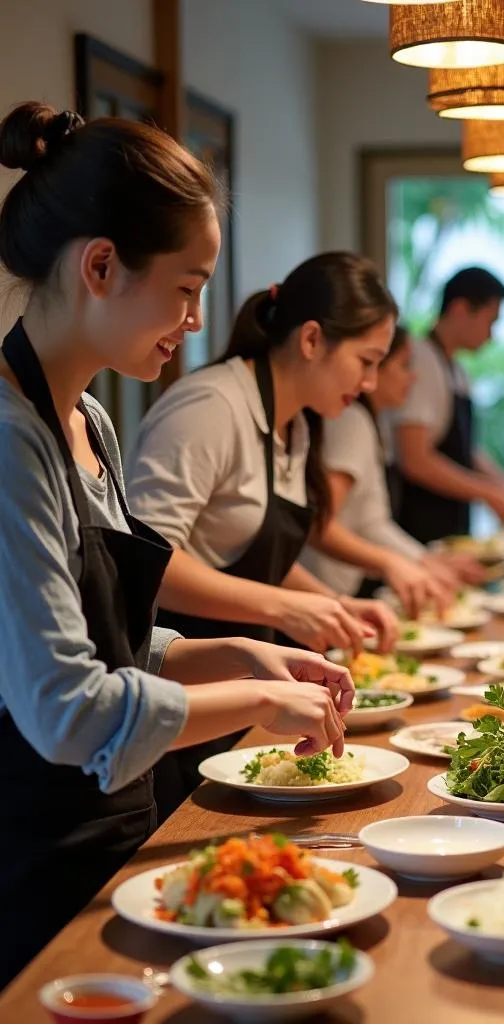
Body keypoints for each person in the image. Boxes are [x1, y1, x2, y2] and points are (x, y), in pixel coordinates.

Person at [0, 103, 353, 986]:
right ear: (101, 266)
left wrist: (226, 654)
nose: (196, 320)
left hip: (120, 841)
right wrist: (253, 702)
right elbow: (67, 708)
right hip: (36, 874)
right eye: (187, 287)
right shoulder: (10, 441)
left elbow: (113, 637)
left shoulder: (86, 423)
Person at [127, 252, 408, 819]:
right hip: (186, 684)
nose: (371, 382)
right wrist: (286, 606)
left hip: (248, 682)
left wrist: (329, 604)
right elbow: (146, 562)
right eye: (366, 361)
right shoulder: (210, 407)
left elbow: (257, 553)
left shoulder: (297, 422)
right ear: (311, 340)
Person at [300, 324, 485, 599]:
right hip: (325, 592)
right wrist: (405, 562)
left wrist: (425, 561)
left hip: (340, 589)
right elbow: (321, 523)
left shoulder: (373, 424)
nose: (413, 378)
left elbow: (372, 521)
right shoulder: (352, 422)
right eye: (404, 365)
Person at [392, 266, 504, 544]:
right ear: (460, 309)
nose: (492, 335)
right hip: (418, 525)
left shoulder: (457, 370)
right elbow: (415, 458)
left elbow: (467, 451)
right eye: (491, 321)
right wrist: (488, 493)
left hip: (450, 524)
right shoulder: (421, 361)